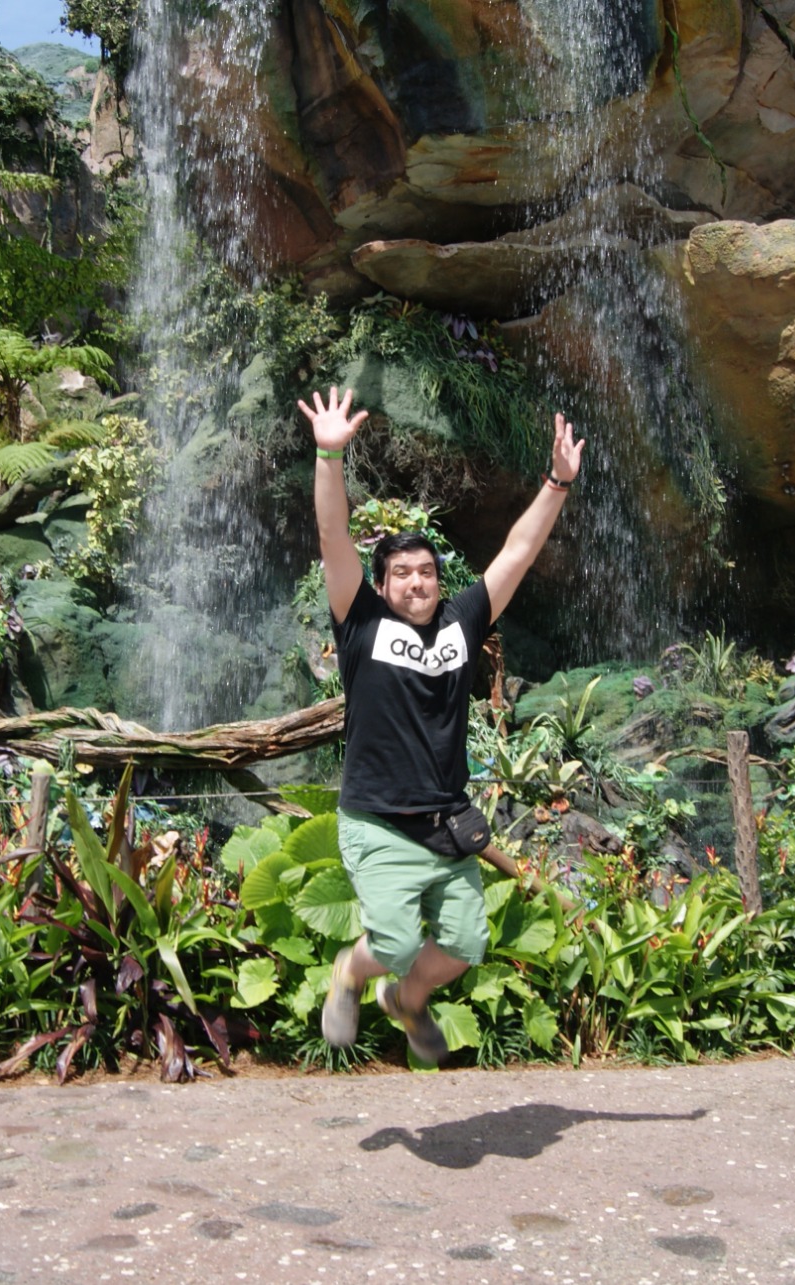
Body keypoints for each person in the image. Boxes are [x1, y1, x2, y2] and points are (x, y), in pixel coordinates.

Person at [299, 385, 584, 1064]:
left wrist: (557, 483)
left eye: (426, 572)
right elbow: (333, 537)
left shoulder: (462, 623)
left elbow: (517, 552)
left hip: (446, 822)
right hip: (378, 819)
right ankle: (350, 973)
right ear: (382, 584)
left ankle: (407, 999)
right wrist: (329, 457)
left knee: (464, 944)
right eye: (401, 573)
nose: (417, 582)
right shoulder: (361, 622)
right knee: (393, 941)